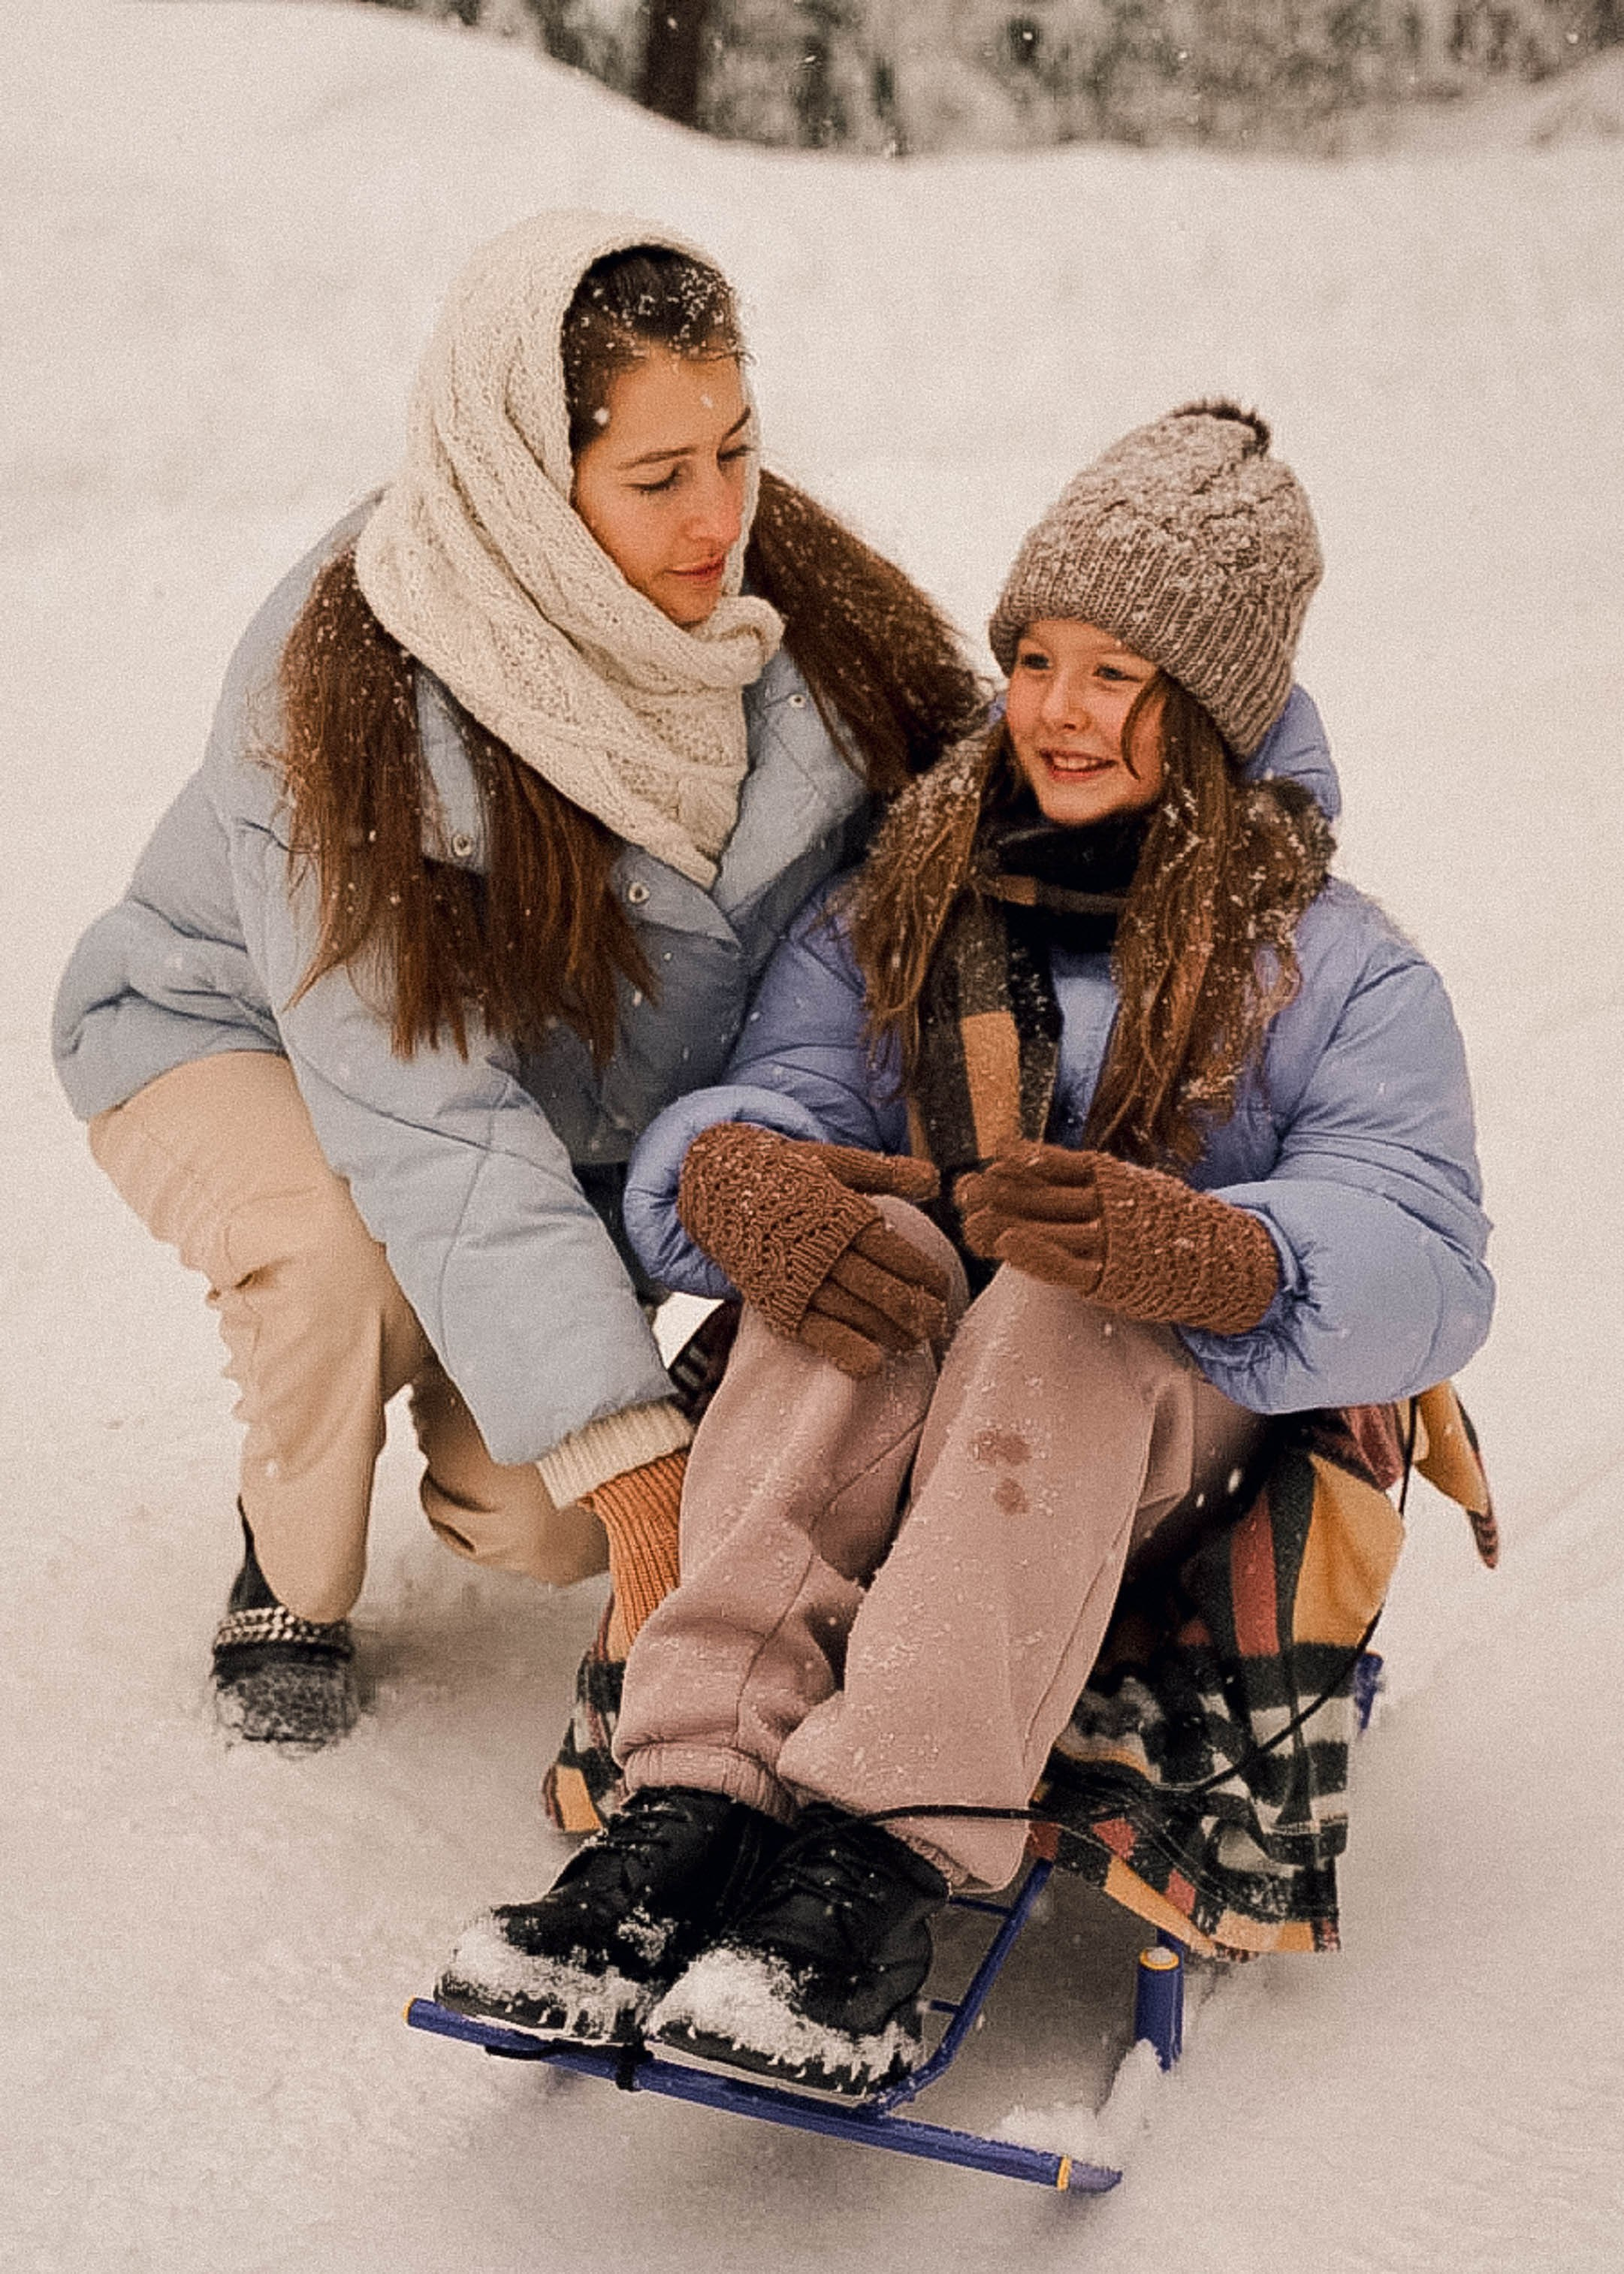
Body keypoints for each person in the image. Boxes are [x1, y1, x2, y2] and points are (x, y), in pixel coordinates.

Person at [436, 400, 1494, 2094]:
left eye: (1116, 674)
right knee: (843, 1255)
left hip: (1170, 1422)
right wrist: (738, 1177)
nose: (1058, 713)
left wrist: (1220, 1254)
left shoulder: (1339, 968)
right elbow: (777, 1090)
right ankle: (692, 1803)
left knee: (1061, 1312)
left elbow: (1428, 1242)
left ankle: (871, 1863)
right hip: (908, 1379)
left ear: (1209, 709)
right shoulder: (913, 894)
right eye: (1035, 660)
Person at [50, 211, 980, 1750]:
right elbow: (426, 1113)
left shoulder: (795, 605)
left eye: (736, 451)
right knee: (346, 1264)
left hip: (544, 1112)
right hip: (231, 1027)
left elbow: (1000, 830)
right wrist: (632, 1454)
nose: (719, 518)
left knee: (543, 1522)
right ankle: (286, 1564)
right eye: (657, 477)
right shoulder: (336, 681)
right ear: (525, 481)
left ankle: (444, 1344)